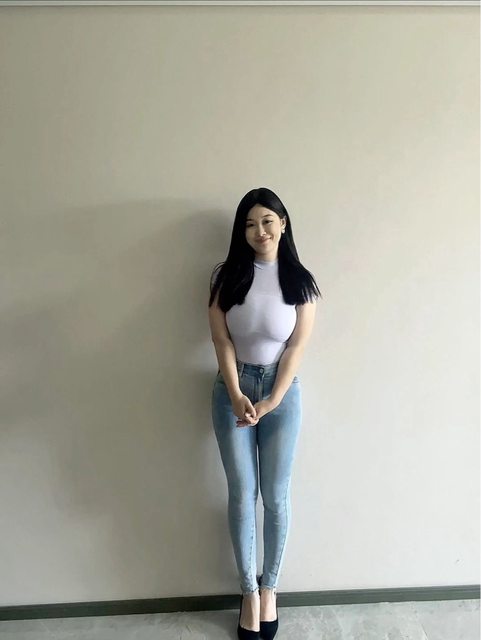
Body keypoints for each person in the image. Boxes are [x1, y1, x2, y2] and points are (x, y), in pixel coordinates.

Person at [208, 187, 321, 640]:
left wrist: (272, 399)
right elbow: (221, 340)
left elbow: (297, 347)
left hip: (282, 393)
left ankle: (270, 587)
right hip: (231, 390)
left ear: (283, 224)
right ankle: (249, 594)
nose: (260, 231)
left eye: (268, 221)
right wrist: (237, 392)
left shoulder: (301, 281)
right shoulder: (226, 278)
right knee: (242, 494)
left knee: (275, 495)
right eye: (251, 224)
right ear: (242, 231)